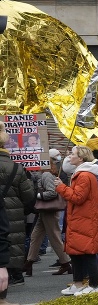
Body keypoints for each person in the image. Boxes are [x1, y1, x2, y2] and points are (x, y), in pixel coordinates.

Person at [54, 146, 98, 296]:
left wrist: (61, 188)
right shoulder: (81, 174)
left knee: (88, 252)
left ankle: (94, 285)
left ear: (81, 158)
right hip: (80, 219)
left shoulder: (84, 175)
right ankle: (78, 284)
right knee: (76, 253)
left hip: (84, 219)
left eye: (72, 154)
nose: (69, 156)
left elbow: (78, 198)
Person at [0, 123, 35, 288]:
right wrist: (23, 209)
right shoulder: (17, 168)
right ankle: (15, 275)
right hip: (13, 212)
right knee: (13, 242)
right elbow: (28, 195)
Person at [24, 158, 70, 277]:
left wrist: (38, 195)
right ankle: (29, 262)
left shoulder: (46, 175)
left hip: (48, 210)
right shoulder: (46, 174)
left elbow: (52, 193)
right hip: (45, 211)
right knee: (35, 236)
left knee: (54, 237)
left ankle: (65, 263)